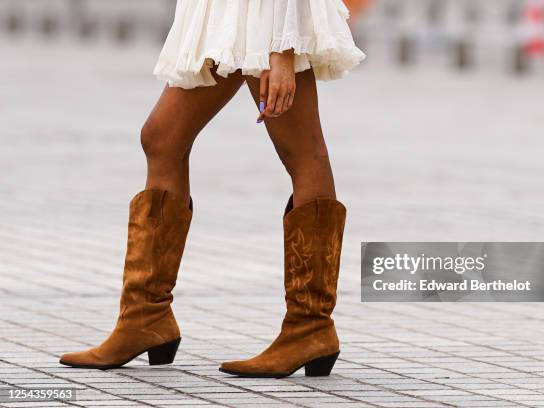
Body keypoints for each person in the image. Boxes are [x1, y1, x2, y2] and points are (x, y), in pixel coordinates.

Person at [59, 0, 365, 378]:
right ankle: (145, 317)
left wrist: (283, 50)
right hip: (228, 14)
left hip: (265, 18)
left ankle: (310, 326)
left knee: (303, 153)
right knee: (161, 139)